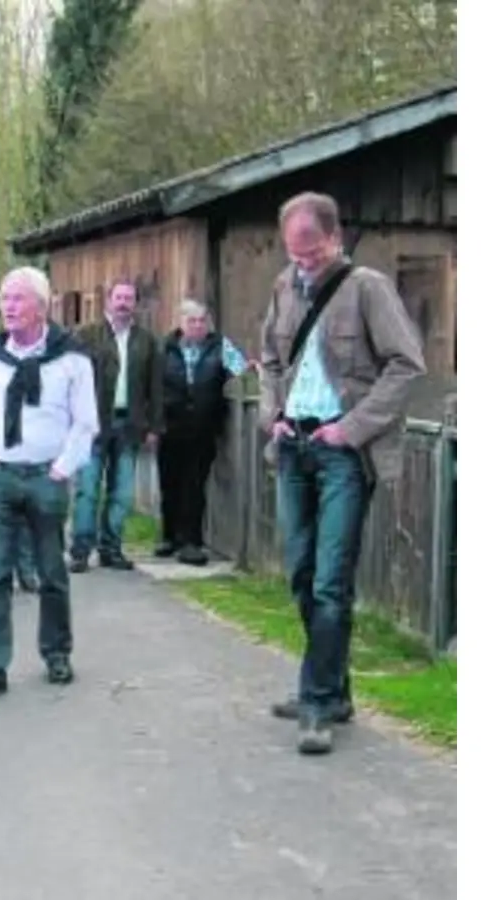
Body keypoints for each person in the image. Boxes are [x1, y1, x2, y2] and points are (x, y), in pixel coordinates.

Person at [258, 191, 426, 755]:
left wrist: (351, 428)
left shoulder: (367, 289)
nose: (302, 263)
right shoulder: (284, 287)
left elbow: (407, 366)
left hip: (342, 454)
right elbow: (270, 362)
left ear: (334, 237)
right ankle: (336, 690)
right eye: (294, 252)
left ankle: (316, 700)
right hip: (293, 447)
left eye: (311, 252)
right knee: (303, 574)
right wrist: (272, 416)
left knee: (332, 579)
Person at [0, 267, 99, 704]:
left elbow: (85, 422)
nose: (9, 307)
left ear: (41, 306)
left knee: (51, 571)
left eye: (18, 299)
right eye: (4, 298)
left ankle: (57, 652)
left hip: (45, 476)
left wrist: (62, 468)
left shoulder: (71, 356)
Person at [68, 279, 163, 572]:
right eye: (118, 297)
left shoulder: (145, 340)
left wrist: (154, 426)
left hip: (129, 423)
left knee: (121, 492)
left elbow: (154, 387)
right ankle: (80, 550)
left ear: (135, 304)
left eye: (129, 298)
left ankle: (111, 548)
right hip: (93, 424)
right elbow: (70, 380)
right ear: (108, 301)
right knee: (87, 489)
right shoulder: (86, 335)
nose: (123, 303)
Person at [157, 300, 248, 565]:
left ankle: (192, 542)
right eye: (191, 320)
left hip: (203, 427)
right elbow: (152, 383)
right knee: (169, 483)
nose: (197, 326)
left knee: (194, 485)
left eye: (201, 321)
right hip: (170, 426)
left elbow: (242, 372)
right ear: (180, 322)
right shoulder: (165, 347)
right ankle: (169, 536)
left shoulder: (220, 347)